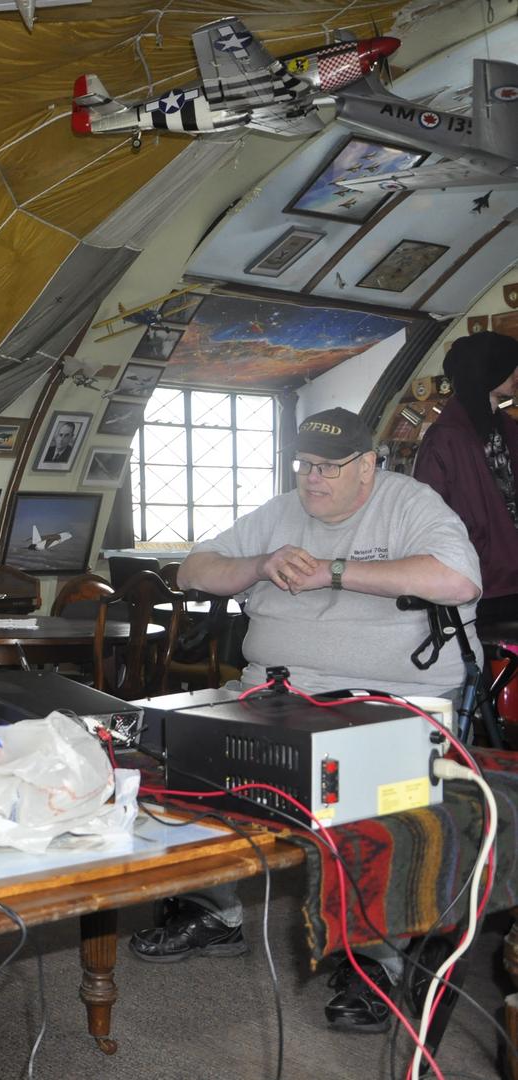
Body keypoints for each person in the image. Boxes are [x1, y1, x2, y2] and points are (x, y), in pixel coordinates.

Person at [132, 406, 481, 1033]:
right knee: (176, 754)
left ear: (369, 465)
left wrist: (336, 572)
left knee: (373, 809)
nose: (312, 480)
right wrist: (260, 565)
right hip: (272, 691)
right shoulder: (280, 511)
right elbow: (193, 569)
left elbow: (457, 581)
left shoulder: (412, 504)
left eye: (328, 467)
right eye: (303, 465)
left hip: (389, 699)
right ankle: (215, 911)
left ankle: (377, 960)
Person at [414, 331, 518, 629]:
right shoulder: (445, 439)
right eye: (508, 366)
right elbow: (427, 516)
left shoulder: (506, 427)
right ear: (487, 370)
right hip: (478, 580)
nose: (516, 373)